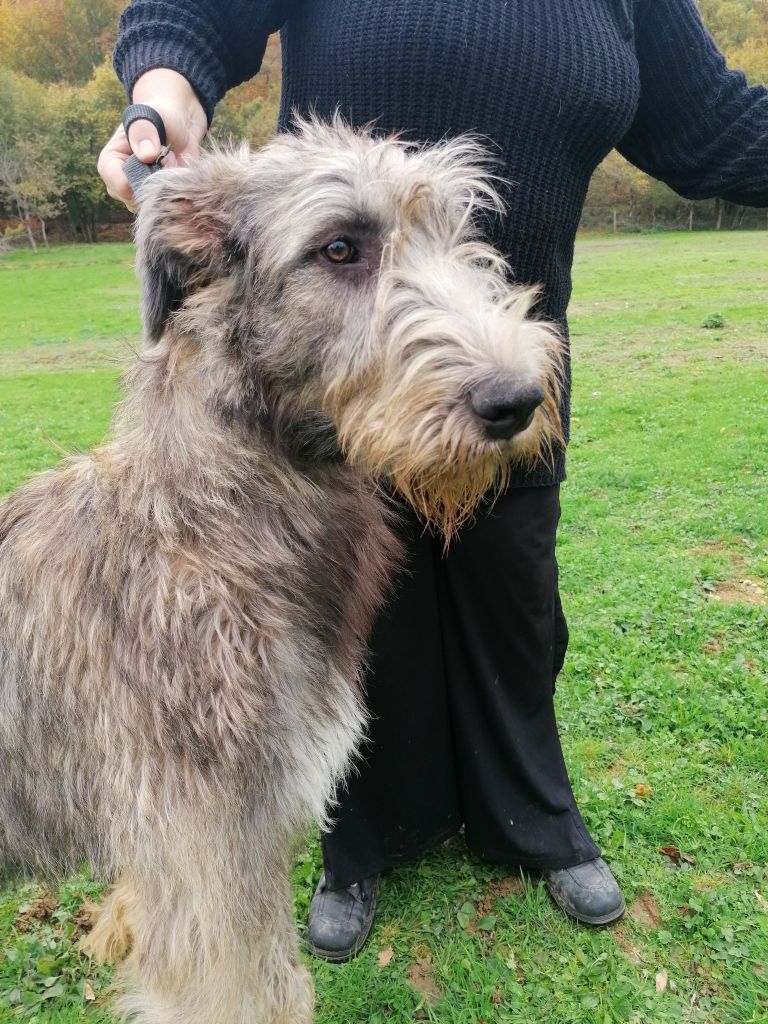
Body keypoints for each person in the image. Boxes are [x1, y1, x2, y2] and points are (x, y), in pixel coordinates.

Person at [100, 0, 768, 962]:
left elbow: (713, 125)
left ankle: (535, 822)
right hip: (337, 383)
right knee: (357, 625)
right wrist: (160, 103)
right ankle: (363, 843)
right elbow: (192, 15)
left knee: (517, 606)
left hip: (503, 370)